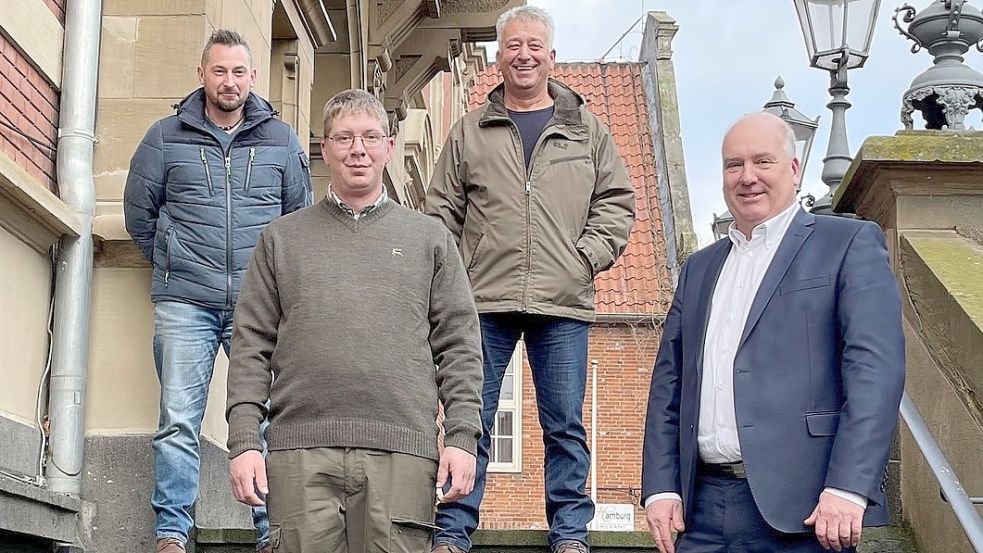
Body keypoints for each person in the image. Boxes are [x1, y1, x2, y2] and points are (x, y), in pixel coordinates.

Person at [225, 88, 483, 553]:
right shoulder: (281, 239)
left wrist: (462, 437)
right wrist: (245, 441)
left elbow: (460, 346)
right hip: (299, 452)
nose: (357, 149)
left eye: (369, 137)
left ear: (388, 145)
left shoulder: (430, 239)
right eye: (343, 138)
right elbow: (249, 346)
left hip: (403, 452)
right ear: (325, 150)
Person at [641, 112, 905, 553]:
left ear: (794, 169)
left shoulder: (847, 244)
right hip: (700, 510)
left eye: (763, 162)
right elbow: (669, 382)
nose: (747, 178)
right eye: (734, 165)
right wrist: (661, 486)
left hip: (805, 511)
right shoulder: (699, 268)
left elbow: (874, 372)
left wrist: (848, 486)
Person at [424, 6, 635, 553]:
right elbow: (439, 212)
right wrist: (453, 278)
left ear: (550, 55)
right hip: (482, 300)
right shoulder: (470, 130)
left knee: (565, 423)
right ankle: (452, 530)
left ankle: (570, 532)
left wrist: (583, 257)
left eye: (534, 45)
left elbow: (616, 203)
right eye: (513, 45)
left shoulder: (588, 130)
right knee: (470, 420)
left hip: (562, 298)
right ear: (499, 56)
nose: (524, 54)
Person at [123, 29, 312, 553]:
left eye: (239, 72)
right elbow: (140, 216)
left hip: (260, 305)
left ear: (253, 78)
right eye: (219, 71)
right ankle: (171, 534)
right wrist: (174, 258)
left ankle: (273, 533)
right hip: (185, 300)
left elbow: (299, 221)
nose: (229, 82)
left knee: (271, 419)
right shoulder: (164, 138)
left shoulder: (283, 140)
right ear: (201, 74)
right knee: (178, 421)